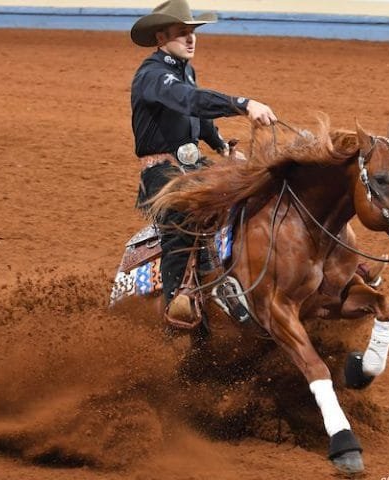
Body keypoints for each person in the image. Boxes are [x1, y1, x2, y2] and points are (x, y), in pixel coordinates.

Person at [130, 0, 277, 324]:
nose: (191, 39)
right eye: (182, 33)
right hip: (161, 170)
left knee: (248, 187)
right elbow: (189, 100)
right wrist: (243, 104)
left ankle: (236, 273)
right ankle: (177, 302)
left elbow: (196, 115)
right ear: (160, 38)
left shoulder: (184, 72)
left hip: (190, 165)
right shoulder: (152, 75)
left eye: (192, 32)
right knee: (184, 210)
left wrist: (221, 146)